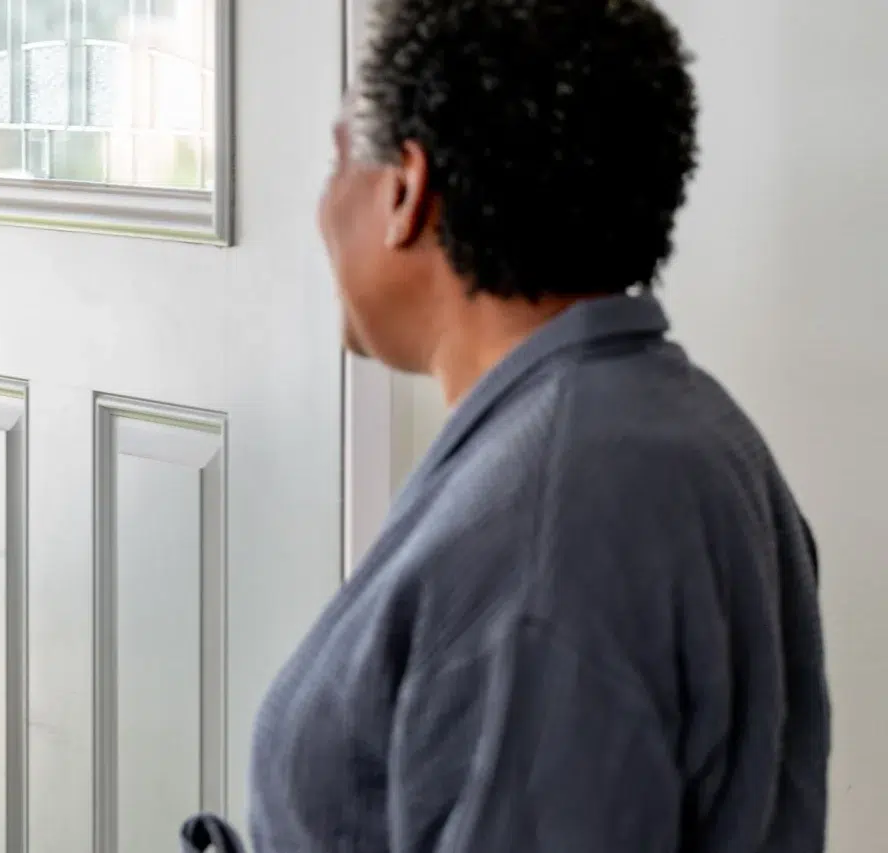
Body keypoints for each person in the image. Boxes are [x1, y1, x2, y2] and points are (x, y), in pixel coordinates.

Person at [186, 0, 831, 851]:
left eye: (338, 163)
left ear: (406, 190)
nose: (323, 204)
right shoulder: (675, 428)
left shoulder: (547, 526)